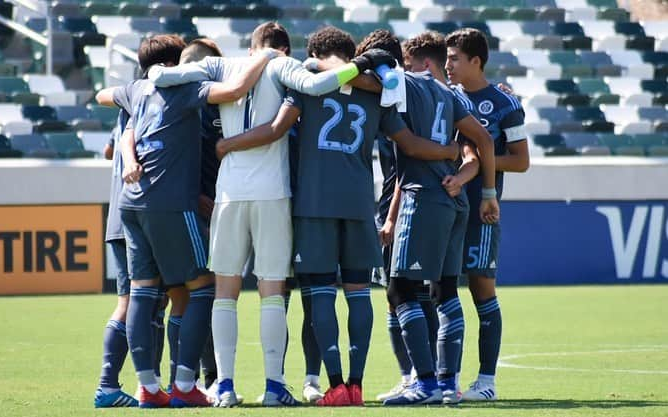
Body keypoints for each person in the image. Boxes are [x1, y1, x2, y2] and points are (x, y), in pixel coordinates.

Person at [148, 22, 397, 407]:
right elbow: (317, 86)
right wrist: (361, 62)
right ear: (283, 48)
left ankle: (225, 386)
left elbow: (165, 75)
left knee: (225, 295)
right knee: (271, 294)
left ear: (252, 45)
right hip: (272, 194)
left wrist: (153, 74)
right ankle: (274, 385)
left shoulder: (221, 67)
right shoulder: (284, 66)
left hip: (229, 192)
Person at [216, 26, 460, 407]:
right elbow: (409, 144)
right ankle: (357, 384)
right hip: (359, 206)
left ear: (316, 53)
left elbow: (278, 128)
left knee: (320, 296)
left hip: (314, 205)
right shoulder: (374, 93)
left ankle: (334, 386)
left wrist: (226, 144)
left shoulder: (307, 83)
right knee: (359, 294)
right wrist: (451, 151)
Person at [102, 34, 280, 408]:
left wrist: (131, 158)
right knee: (204, 288)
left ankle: (148, 387)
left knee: (143, 292)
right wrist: (264, 57)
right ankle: (185, 384)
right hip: (171, 202)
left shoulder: (137, 89)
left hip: (130, 204)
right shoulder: (187, 91)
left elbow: (107, 99)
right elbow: (235, 89)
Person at [355, 30, 499, 406]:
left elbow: (409, 146)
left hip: (424, 201)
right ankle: (448, 383)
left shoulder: (398, 85)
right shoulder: (449, 93)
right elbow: (483, 140)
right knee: (444, 291)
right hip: (456, 203)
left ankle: (426, 383)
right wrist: (485, 190)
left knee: (399, 290)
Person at [445, 28, 530, 402]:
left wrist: (480, 163)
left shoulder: (504, 104)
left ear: (475, 61)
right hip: (446, 208)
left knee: (481, 289)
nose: (447, 65)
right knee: (440, 290)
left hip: (483, 210)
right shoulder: (445, 97)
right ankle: (442, 378)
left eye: (454, 59)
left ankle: (487, 380)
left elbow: (522, 161)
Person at [92, 117, 138, 409]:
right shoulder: (149, 108)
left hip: (117, 218)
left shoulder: (124, 114)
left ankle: (115, 384)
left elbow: (109, 151)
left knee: (134, 301)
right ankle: (112, 385)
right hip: (138, 215)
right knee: (143, 301)